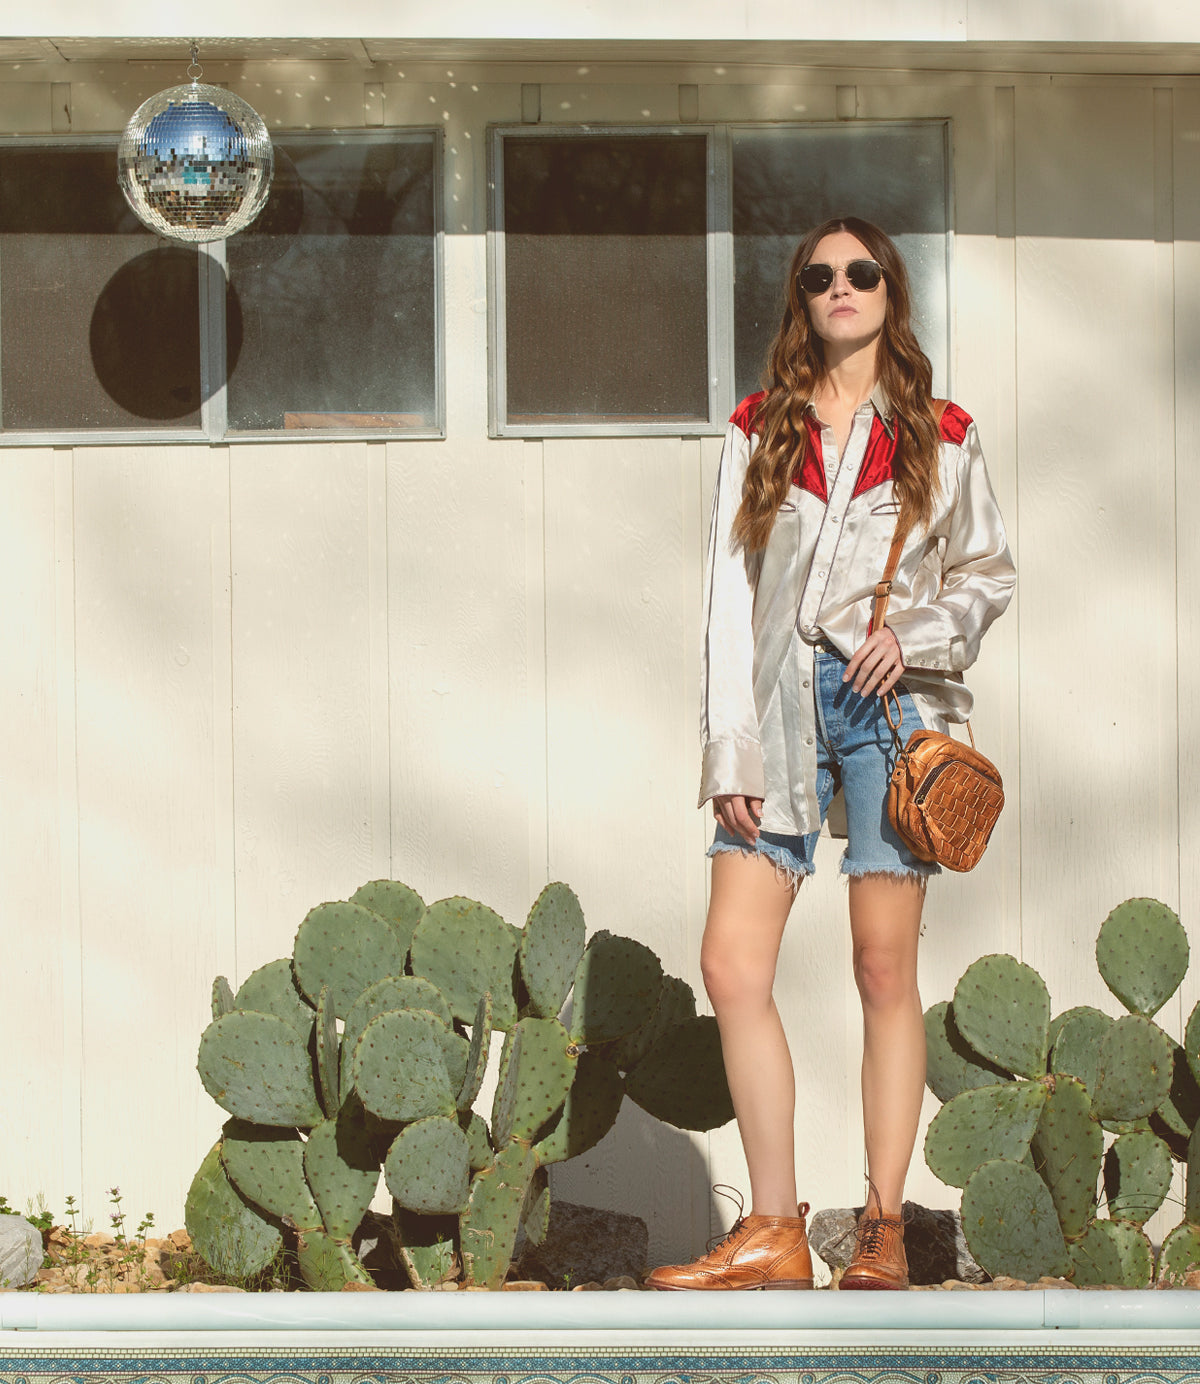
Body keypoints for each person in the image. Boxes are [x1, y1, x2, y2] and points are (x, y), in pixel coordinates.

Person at [646, 217, 1015, 1293]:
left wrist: (921, 635)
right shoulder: (758, 427)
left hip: (890, 717)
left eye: (862, 273)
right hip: (777, 715)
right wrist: (729, 747)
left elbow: (986, 574)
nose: (841, 287)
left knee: (882, 966)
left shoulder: (940, 431)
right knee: (731, 962)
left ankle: (886, 1225)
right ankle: (771, 1226)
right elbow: (726, 599)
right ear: (801, 299)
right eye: (821, 276)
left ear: (890, 293)